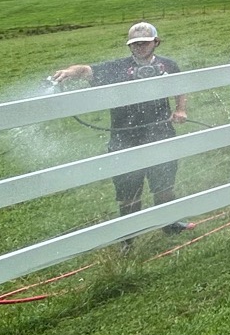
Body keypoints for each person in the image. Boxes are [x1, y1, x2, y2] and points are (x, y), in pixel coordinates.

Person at [50, 21, 193, 232]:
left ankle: (170, 224)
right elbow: (87, 70)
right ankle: (128, 238)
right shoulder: (117, 68)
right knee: (129, 194)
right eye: (135, 44)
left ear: (156, 42)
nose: (139, 47)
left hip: (161, 134)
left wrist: (180, 109)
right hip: (124, 140)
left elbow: (180, 86)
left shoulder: (169, 65)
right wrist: (71, 72)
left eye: (144, 43)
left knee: (164, 186)